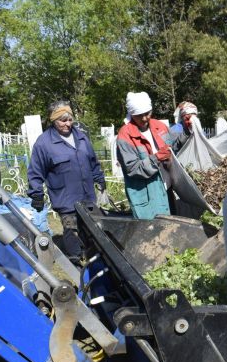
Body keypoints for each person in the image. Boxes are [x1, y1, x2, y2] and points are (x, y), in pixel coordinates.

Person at [27, 100, 108, 264]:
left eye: (70, 119)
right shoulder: (44, 143)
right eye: (62, 120)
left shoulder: (81, 137)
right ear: (53, 120)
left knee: (91, 227)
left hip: (87, 194)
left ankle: (94, 258)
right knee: (71, 229)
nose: (68, 124)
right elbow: (35, 171)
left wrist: (99, 178)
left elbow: (93, 161)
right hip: (65, 196)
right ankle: (75, 261)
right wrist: (36, 194)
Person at [116, 91, 172, 220]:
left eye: (147, 113)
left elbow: (172, 147)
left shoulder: (160, 126)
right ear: (131, 114)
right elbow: (133, 169)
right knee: (151, 231)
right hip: (147, 193)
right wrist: (157, 158)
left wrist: (188, 131)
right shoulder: (125, 135)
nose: (145, 119)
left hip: (167, 188)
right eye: (139, 115)